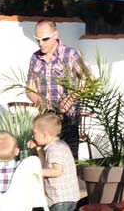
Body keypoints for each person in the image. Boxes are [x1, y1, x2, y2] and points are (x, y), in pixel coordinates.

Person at [26, 20, 91, 157]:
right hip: (46, 119)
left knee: (69, 160)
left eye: (45, 39)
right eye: (37, 39)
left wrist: (70, 99)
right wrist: (39, 101)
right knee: (46, 160)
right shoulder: (35, 58)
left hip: (68, 118)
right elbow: (29, 88)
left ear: (55, 35)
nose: (41, 43)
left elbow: (90, 80)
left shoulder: (70, 54)